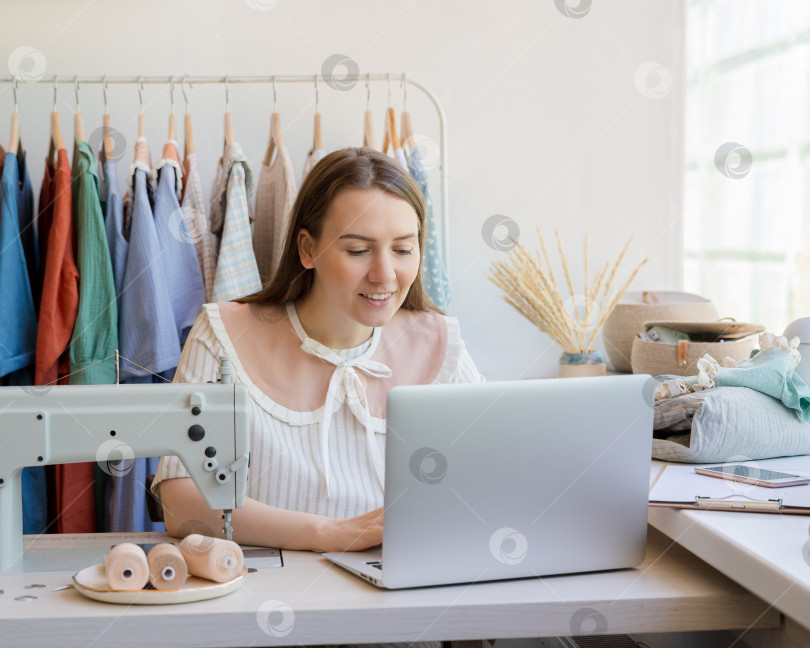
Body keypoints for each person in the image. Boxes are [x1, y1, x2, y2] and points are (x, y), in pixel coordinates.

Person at [153, 147, 483, 552]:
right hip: (266, 590)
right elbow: (181, 503)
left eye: (402, 249)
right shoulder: (222, 336)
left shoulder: (440, 344)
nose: (384, 274)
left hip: (403, 588)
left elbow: (496, 472)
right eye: (358, 250)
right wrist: (326, 534)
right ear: (307, 249)